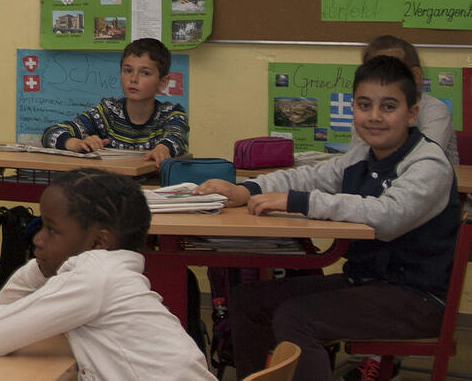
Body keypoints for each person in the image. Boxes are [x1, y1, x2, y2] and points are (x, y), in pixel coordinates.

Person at [194, 56, 460, 381]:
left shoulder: (429, 164)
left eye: (388, 107)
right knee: (249, 301)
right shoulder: (361, 156)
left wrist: (300, 203)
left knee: (296, 317)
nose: (374, 117)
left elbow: (388, 217)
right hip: (364, 282)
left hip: (417, 299)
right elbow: (311, 177)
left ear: (413, 113)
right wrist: (246, 190)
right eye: (364, 105)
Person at [0, 168, 215, 380]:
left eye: (52, 230)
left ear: (98, 243)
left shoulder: (94, 276)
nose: (37, 239)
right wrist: (39, 270)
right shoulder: (111, 274)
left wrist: (35, 274)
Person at [41, 38, 189, 169]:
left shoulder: (171, 114)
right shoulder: (108, 111)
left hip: (151, 190)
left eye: (145, 73)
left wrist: (163, 148)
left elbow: (176, 137)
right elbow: (51, 133)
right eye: (127, 70)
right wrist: (76, 144)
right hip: (110, 189)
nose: (134, 79)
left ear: (163, 82)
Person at [351, 34, 458, 164]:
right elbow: (357, 157)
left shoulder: (435, 110)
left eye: (392, 72)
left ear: (415, 75)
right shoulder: (367, 113)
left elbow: (423, 159)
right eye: (373, 71)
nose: (375, 116)